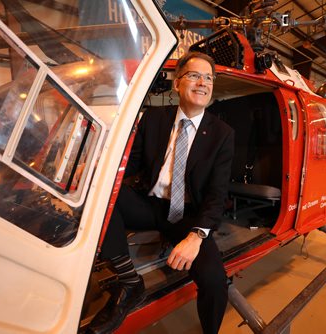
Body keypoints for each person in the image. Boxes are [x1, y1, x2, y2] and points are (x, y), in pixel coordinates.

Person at [88, 52, 235, 334]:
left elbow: (217, 193)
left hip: (188, 217)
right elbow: (130, 164)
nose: (202, 83)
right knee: (102, 191)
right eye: (194, 75)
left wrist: (196, 236)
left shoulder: (222, 134)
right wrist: (96, 169)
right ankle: (130, 282)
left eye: (208, 78)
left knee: (215, 281)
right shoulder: (155, 118)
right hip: (149, 204)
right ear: (177, 83)